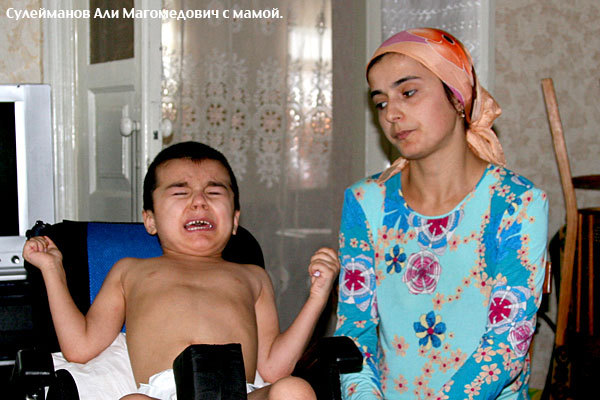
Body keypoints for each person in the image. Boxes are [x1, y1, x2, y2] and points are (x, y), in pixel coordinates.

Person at [23, 141, 340, 400]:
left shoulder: (252, 277)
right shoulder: (130, 272)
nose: (199, 202)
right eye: (180, 192)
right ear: (150, 220)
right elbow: (80, 348)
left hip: (239, 393)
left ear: (234, 220)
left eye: (214, 192)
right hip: (165, 394)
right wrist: (53, 270)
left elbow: (273, 369)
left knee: (294, 389)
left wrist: (317, 297)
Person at [334, 28, 548, 399]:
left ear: (457, 96)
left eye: (408, 92)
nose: (392, 114)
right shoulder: (366, 203)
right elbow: (354, 332)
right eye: (381, 102)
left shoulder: (517, 204)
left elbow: (506, 345)